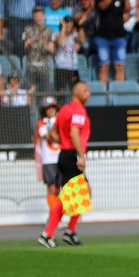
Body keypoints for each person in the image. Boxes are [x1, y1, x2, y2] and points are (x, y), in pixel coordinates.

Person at [41, 80, 92, 248]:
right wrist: (81, 156)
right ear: (76, 93)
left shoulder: (64, 111)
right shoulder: (78, 111)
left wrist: (63, 143)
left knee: (82, 193)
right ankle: (47, 234)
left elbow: (51, 134)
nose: (88, 94)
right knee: (68, 198)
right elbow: (74, 133)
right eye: (85, 91)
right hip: (71, 155)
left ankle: (70, 231)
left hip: (65, 154)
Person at [34, 96, 62, 231]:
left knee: (59, 190)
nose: (50, 110)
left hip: (60, 158)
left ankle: (53, 217)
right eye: (48, 108)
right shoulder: (41, 123)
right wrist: (56, 130)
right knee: (52, 189)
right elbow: (49, 137)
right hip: (49, 160)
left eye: (52, 107)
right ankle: (56, 218)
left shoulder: (60, 121)